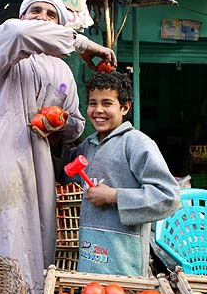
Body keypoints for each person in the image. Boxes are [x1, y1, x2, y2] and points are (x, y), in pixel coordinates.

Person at [0, 0, 116, 294]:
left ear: (59, 22)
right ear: (22, 16)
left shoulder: (62, 72)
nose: (42, 17)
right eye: (35, 11)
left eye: (50, 14)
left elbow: (77, 123)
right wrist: (85, 44)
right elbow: (20, 33)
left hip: (39, 177)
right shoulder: (0, 44)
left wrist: (60, 126)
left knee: (35, 252)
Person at [68, 71, 181, 277]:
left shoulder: (136, 143)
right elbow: (64, 170)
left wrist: (114, 196)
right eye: (93, 103)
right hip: (89, 251)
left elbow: (168, 196)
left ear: (125, 107)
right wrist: (53, 138)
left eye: (107, 103)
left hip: (123, 257)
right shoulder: (89, 144)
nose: (98, 110)